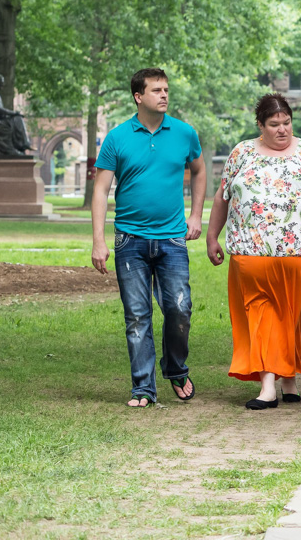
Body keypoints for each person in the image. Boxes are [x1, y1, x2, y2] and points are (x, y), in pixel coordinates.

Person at [206, 94, 301, 410]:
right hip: (251, 252)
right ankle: (268, 386)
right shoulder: (242, 152)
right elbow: (222, 198)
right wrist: (212, 237)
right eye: (274, 124)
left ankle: (289, 378)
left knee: (293, 318)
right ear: (260, 125)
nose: (282, 130)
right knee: (263, 315)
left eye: (286, 123)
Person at [90, 68, 205, 407]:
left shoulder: (184, 134)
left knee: (179, 308)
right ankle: (143, 387)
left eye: (166, 89)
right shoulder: (117, 137)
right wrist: (98, 240)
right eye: (156, 90)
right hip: (130, 241)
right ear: (139, 97)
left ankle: (175, 366)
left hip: (172, 240)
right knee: (137, 316)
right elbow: (100, 190)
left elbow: (199, 171)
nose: (164, 94)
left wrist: (196, 215)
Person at [0, 73, 31, 156]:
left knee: (17, 119)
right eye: (1, 82)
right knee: (15, 119)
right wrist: (14, 113)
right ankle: (16, 147)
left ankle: (23, 144)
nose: (3, 84)